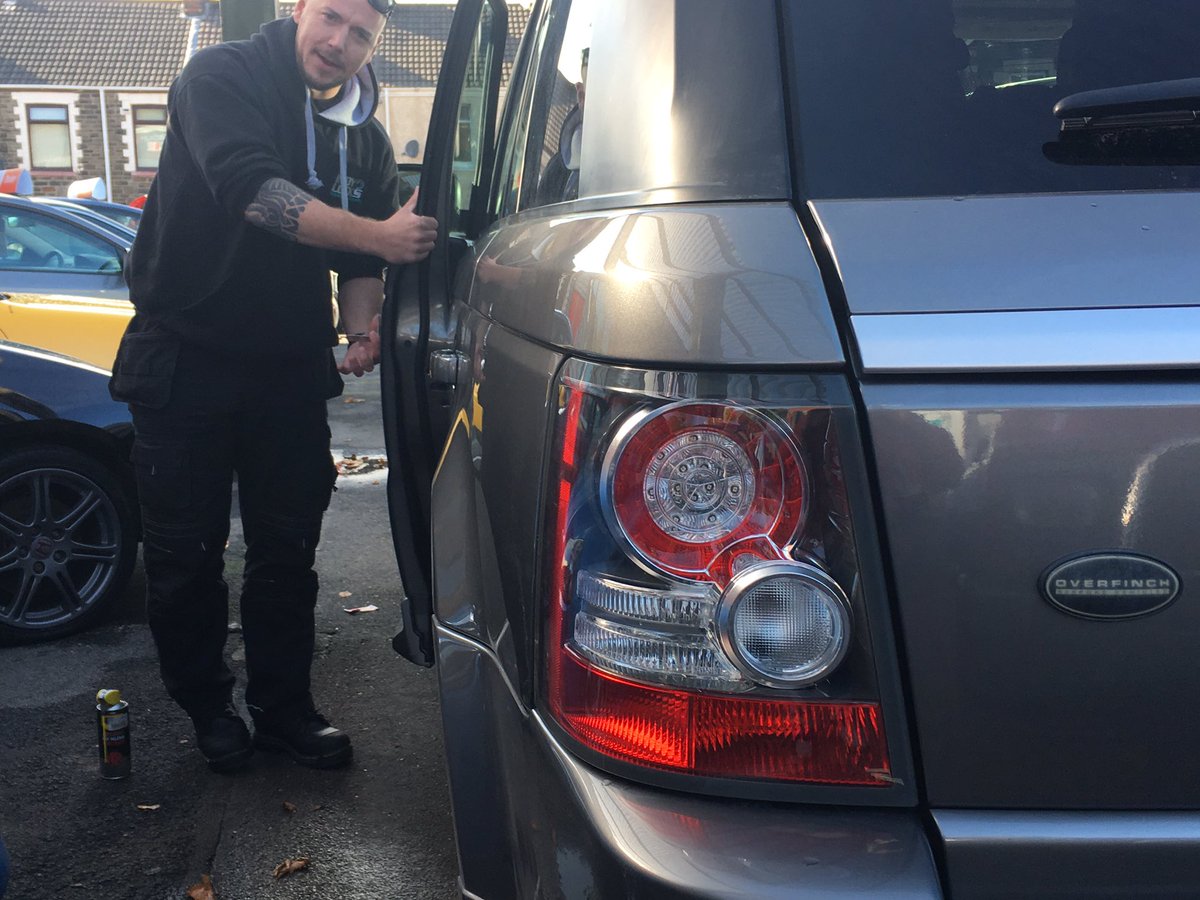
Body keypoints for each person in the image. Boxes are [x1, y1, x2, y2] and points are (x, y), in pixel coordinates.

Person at [109, 0, 437, 772]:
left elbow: (362, 261)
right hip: (183, 356)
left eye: (361, 34)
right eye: (330, 17)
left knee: (287, 551)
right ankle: (209, 710)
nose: (340, 42)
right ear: (298, 9)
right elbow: (255, 193)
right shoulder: (221, 76)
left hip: (286, 368)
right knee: (187, 557)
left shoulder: (363, 130)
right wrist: (383, 236)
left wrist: (362, 328)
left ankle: (285, 709)